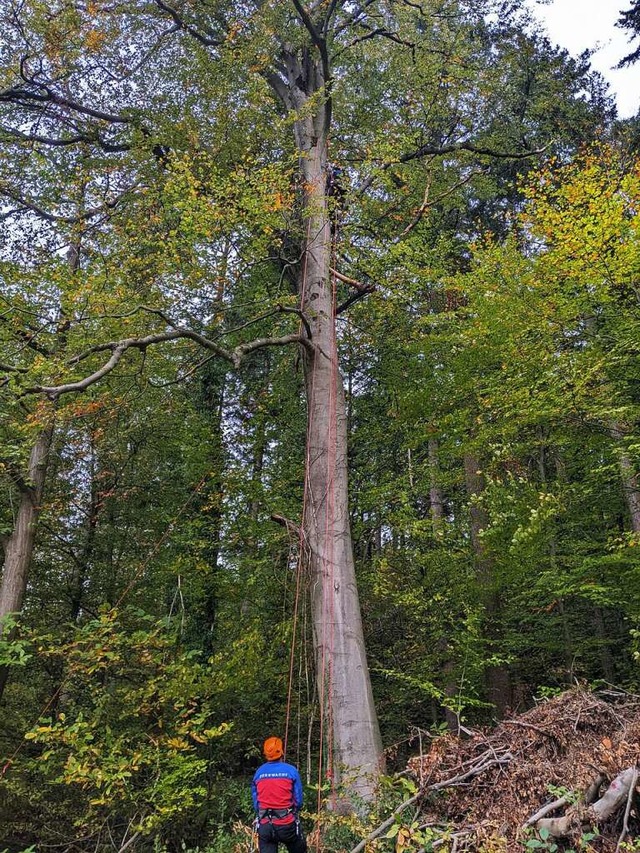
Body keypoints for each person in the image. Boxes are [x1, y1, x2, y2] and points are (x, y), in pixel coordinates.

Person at [252, 736, 307, 853]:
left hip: (265, 825)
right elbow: (298, 800)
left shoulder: (259, 773)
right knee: (298, 847)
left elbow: (256, 803)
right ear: (281, 752)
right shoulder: (291, 771)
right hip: (286, 824)